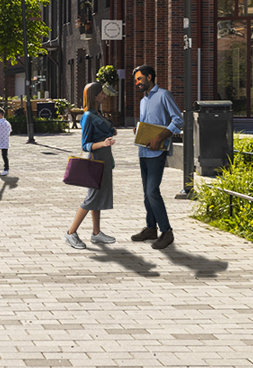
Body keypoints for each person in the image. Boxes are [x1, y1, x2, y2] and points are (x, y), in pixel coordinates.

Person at [130, 65, 183, 250]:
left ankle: (166, 232)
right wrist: (139, 129)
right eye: (135, 80)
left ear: (149, 77)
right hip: (143, 151)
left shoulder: (163, 95)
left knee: (152, 191)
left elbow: (178, 120)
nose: (136, 83)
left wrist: (159, 138)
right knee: (146, 192)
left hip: (157, 152)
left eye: (139, 79)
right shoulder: (143, 100)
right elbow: (150, 122)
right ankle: (151, 229)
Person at [66, 82, 119, 248]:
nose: (105, 95)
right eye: (102, 93)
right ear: (95, 96)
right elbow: (85, 145)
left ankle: (96, 233)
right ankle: (71, 233)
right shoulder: (88, 116)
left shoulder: (98, 113)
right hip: (96, 160)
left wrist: (112, 131)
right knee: (91, 199)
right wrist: (103, 143)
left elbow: (104, 131)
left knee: (97, 198)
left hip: (105, 160)